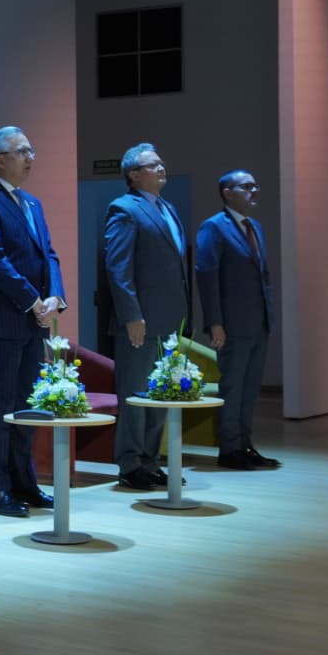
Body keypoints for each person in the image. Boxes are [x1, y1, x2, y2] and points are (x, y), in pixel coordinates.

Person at [0, 126, 67, 517]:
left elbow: (49, 255)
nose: (30, 158)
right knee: (0, 405)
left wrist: (55, 297)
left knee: (27, 404)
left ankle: (24, 482)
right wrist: (32, 300)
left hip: (34, 321)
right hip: (4, 320)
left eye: (31, 150)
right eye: (22, 151)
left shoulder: (32, 204)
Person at [99, 142, 190, 490]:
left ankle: (150, 461)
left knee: (161, 393)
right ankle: (130, 463)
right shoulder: (124, 209)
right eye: (153, 165)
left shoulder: (168, 208)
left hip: (170, 320)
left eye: (161, 162)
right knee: (136, 394)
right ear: (133, 175)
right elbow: (118, 267)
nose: (162, 168)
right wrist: (131, 315)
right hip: (140, 321)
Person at [195, 170, 281, 470]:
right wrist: (215, 323)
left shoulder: (255, 227)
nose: (254, 191)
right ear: (227, 192)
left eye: (255, 186)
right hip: (231, 324)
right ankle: (229, 449)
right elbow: (207, 276)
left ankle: (245, 445)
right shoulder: (213, 227)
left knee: (250, 389)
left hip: (258, 321)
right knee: (232, 388)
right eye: (246, 186)